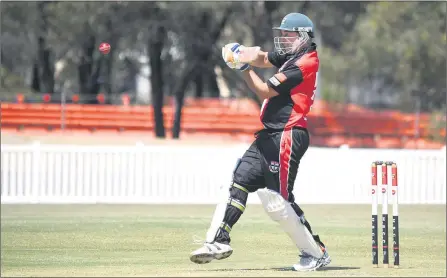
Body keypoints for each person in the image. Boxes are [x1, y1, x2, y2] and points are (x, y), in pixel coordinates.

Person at [189, 12, 331, 271]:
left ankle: (316, 252)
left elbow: (265, 89)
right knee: (238, 181)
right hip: (269, 135)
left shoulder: (305, 62)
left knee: (279, 201)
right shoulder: (293, 55)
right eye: (283, 34)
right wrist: (241, 51)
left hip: (288, 135)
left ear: (303, 36)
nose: (283, 39)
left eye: (288, 35)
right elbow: (264, 57)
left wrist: (242, 67)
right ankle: (217, 241)